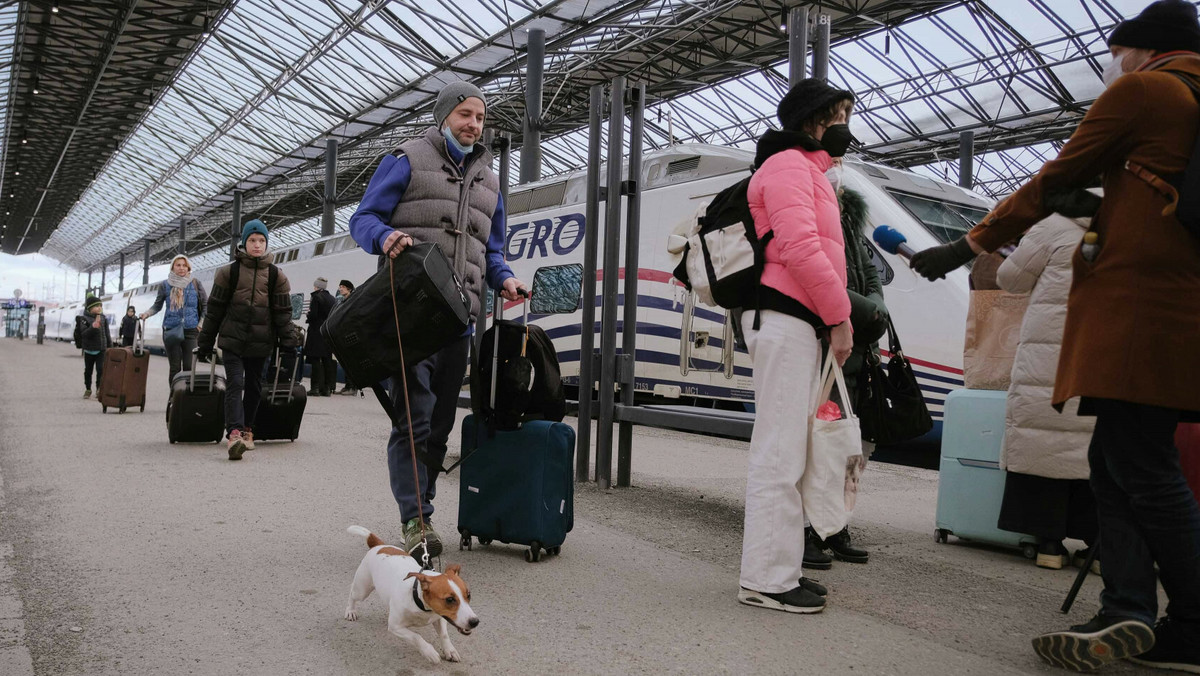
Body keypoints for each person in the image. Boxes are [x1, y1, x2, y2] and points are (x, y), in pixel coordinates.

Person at [911, 1, 1200, 669]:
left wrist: (968, 245)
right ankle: (1128, 608)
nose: (1112, 62)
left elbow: (1058, 172)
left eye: (1117, 50)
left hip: (1139, 309)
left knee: (1146, 468)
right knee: (1114, 461)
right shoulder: (1191, 98)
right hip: (1176, 308)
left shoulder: (1147, 88)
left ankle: (1185, 619)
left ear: (1141, 46)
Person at [348, 80, 527, 557]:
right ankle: (416, 521)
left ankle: (421, 509)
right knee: (413, 419)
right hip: (406, 314)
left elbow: (491, 250)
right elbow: (362, 220)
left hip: (459, 319)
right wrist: (383, 237)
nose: (473, 124)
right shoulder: (406, 158)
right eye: (465, 114)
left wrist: (504, 278)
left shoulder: (491, 183)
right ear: (444, 115)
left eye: (481, 117)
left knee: (440, 425)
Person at [735, 78, 855, 615]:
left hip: (798, 322)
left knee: (791, 451)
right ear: (816, 118)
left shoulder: (809, 170)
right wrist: (841, 317)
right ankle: (765, 578)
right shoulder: (786, 167)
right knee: (779, 453)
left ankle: (779, 570)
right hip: (785, 319)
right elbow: (801, 248)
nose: (848, 125)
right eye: (842, 114)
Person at [993, 210, 1099, 573]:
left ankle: (1048, 544)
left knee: (1043, 436)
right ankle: (1098, 549)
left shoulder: (1053, 226)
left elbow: (1010, 279)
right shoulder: (1134, 223)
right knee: (1097, 447)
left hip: (1048, 360)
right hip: (1105, 358)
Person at [804, 181, 891, 569]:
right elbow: (825, 284)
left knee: (850, 448)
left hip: (861, 355)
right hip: (827, 351)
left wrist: (873, 309)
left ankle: (835, 525)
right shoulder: (815, 223)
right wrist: (868, 311)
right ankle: (809, 528)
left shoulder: (851, 230)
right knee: (819, 448)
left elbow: (874, 282)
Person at [197, 219, 296, 461]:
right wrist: (206, 342)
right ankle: (234, 433)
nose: (257, 245)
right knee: (235, 384)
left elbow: (283, 314)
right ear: (244, 243)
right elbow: (215, 311)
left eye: (261, 240)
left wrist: (289, 341)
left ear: (267, 243)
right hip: (232, 341)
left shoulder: (276, 276)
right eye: (252, 240)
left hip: (261, 343)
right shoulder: (227, 273)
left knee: (253, 387)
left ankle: (248, 429)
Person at [141, 254, 208, 385]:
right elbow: (157, 305)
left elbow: (206, 305)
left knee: (189, 367)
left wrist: (200, 324)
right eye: (178, 265)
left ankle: (186, 398)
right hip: (171, 329)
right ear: (172, 267)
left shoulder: (195, 283)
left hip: (191, 330)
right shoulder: (165, 285)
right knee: (175, 368)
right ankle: (174, 399)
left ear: (188, 267)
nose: (181, 268)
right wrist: (147, 314)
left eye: (184, 265)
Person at [304, 277, 337, 397]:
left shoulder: (316, 297)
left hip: (316, 332)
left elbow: (313, 315)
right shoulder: (332, 299)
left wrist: (308, 315)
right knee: (327, 360)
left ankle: (315, 388)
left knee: (315, 360)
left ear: (317, 286)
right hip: (326, 332)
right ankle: (327, 389)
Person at [75, 295, 111, 399]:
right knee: (88, 370)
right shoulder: (84, 319)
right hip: (89, 350)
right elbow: (84, 334)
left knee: (101, 369)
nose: (99, 308)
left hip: (101, 349)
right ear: (89, 308)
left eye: (100, 305)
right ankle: (88, 388)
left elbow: (107, 334)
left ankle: (99, 389)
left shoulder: (103, 318)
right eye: (96, 306)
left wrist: (110, 347)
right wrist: (93, 327)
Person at [334, 280, 359, 396]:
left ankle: (352, 387)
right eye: (340, 287)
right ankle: (347, 385)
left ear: (349, 288)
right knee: (345, 361)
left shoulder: (353, 300)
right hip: (344, 334)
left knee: (352, 362)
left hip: (352, 335)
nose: (340, 289)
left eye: (343, 287)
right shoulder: (343, 301)